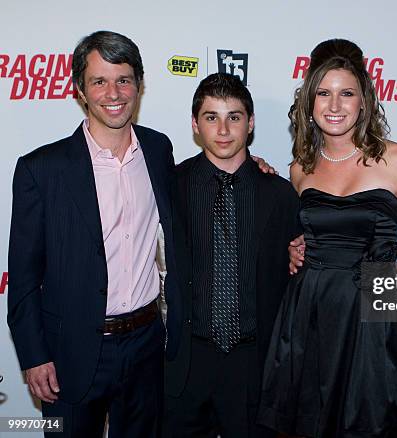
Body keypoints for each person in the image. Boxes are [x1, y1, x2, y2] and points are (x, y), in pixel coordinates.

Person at [7, 31, 181, 437]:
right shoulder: (42, 169)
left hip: (146, 346)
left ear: (140, 84)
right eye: (99, 81)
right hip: (71, 352)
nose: (113, 93)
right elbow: (24, 277)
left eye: (123, 79)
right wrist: (34, 357)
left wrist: (253, 166)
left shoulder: (158, 150)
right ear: (80, 91)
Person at [258, 39, 397, 438]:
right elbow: (293, 234)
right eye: (324, 94)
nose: (334, 105)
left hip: (372, 309)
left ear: (363, 101)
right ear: (309, 105)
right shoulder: (300, 168)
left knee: (372, 420)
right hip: (310, 308)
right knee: (309, 419)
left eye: (346, 93)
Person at [162, 73, 301, 438]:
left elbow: (297, 272)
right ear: (195, 124)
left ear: (250, 123)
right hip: (186, 363)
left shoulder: (280, 194)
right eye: (211, 117)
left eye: (234, 117)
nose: (223, 129)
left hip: (254, 364)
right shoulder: (168, 187)